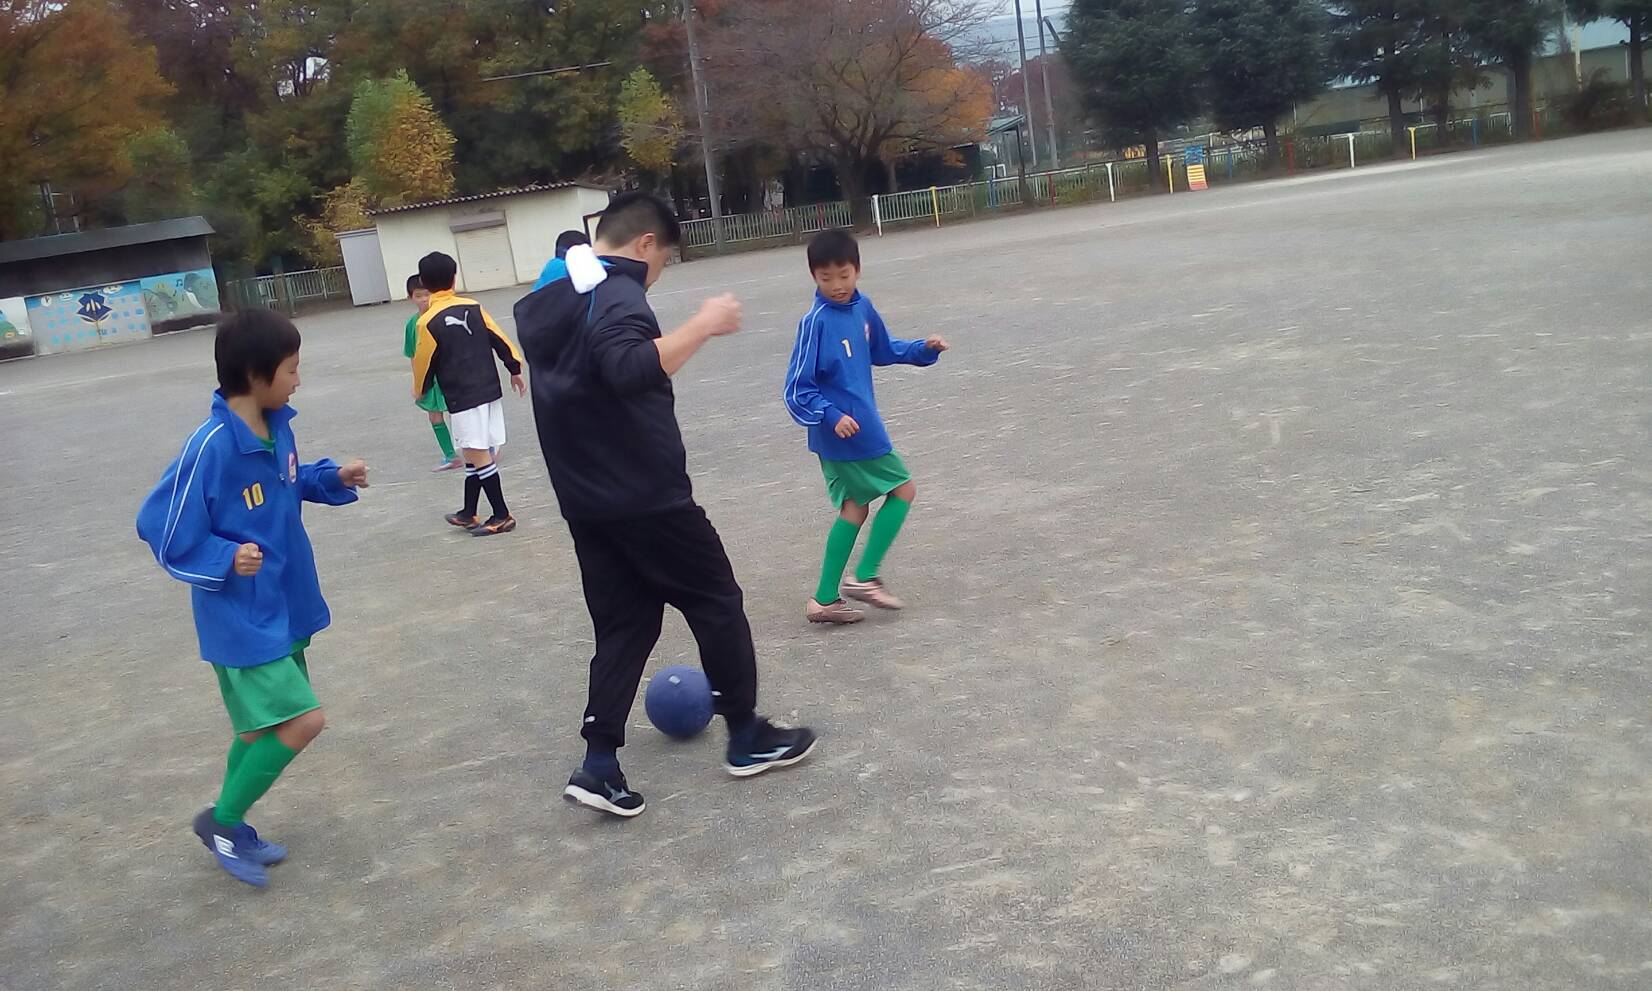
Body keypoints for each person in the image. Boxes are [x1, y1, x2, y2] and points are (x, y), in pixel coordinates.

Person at [514, 192, 816, 819]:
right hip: (647, 497)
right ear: (645, 243)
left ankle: (599, 763)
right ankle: (746, 734)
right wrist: (703, 323)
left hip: (586, 500)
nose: (658, 274)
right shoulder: (617, 292)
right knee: (716, 599)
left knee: (627, 624)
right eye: (664, 260)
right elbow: (627, 368)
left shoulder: (555, 295)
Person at [135, 309, 368, 888]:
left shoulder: (276, 425)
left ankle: (228, 823)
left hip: (282, 605)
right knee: (304, 720)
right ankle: (221, 822)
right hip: (240, 617)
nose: (298, 380)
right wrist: (224, 558)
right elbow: (159, 524)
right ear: (254, 373)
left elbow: (288, 481)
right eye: (291, 369)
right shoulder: (211, 447)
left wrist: (330, 478)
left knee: (257, 732)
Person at [782, 228, 949, 625]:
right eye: (826, 278)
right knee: (904, 489)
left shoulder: (863, 308)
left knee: (855, 508)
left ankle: (824, 599)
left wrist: (923, 350)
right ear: (813, 277)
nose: (837, 285)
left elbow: (884, 349)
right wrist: (831, 415)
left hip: (860, 426)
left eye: (843, 275)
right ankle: (866, 576)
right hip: (846, 433)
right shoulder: (815, 323)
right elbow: (796, 388)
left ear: (857, 270)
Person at [409, 251, 527, 536]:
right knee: (472, 451)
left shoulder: (427, 321)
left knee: (476, 451)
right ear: (454, 278)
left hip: (462, 394)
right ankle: (468, 512)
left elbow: (424, 360)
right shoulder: (473, 306)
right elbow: (499, 337)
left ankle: (502, 515)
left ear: (425, 282)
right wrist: (514, 368)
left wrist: (420, 389)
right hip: (488, 388)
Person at [403, 273, 463, 472]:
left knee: (462, 413)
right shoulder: (412, 325)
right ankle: (451, 456)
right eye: (418, 295)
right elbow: (413, 355)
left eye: (427, 294)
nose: (423, 299)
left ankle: (484, 447)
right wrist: (417, 384)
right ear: (410, 297)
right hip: (429, 379)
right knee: (434, 416)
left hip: (450, 374)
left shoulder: (442, 316)